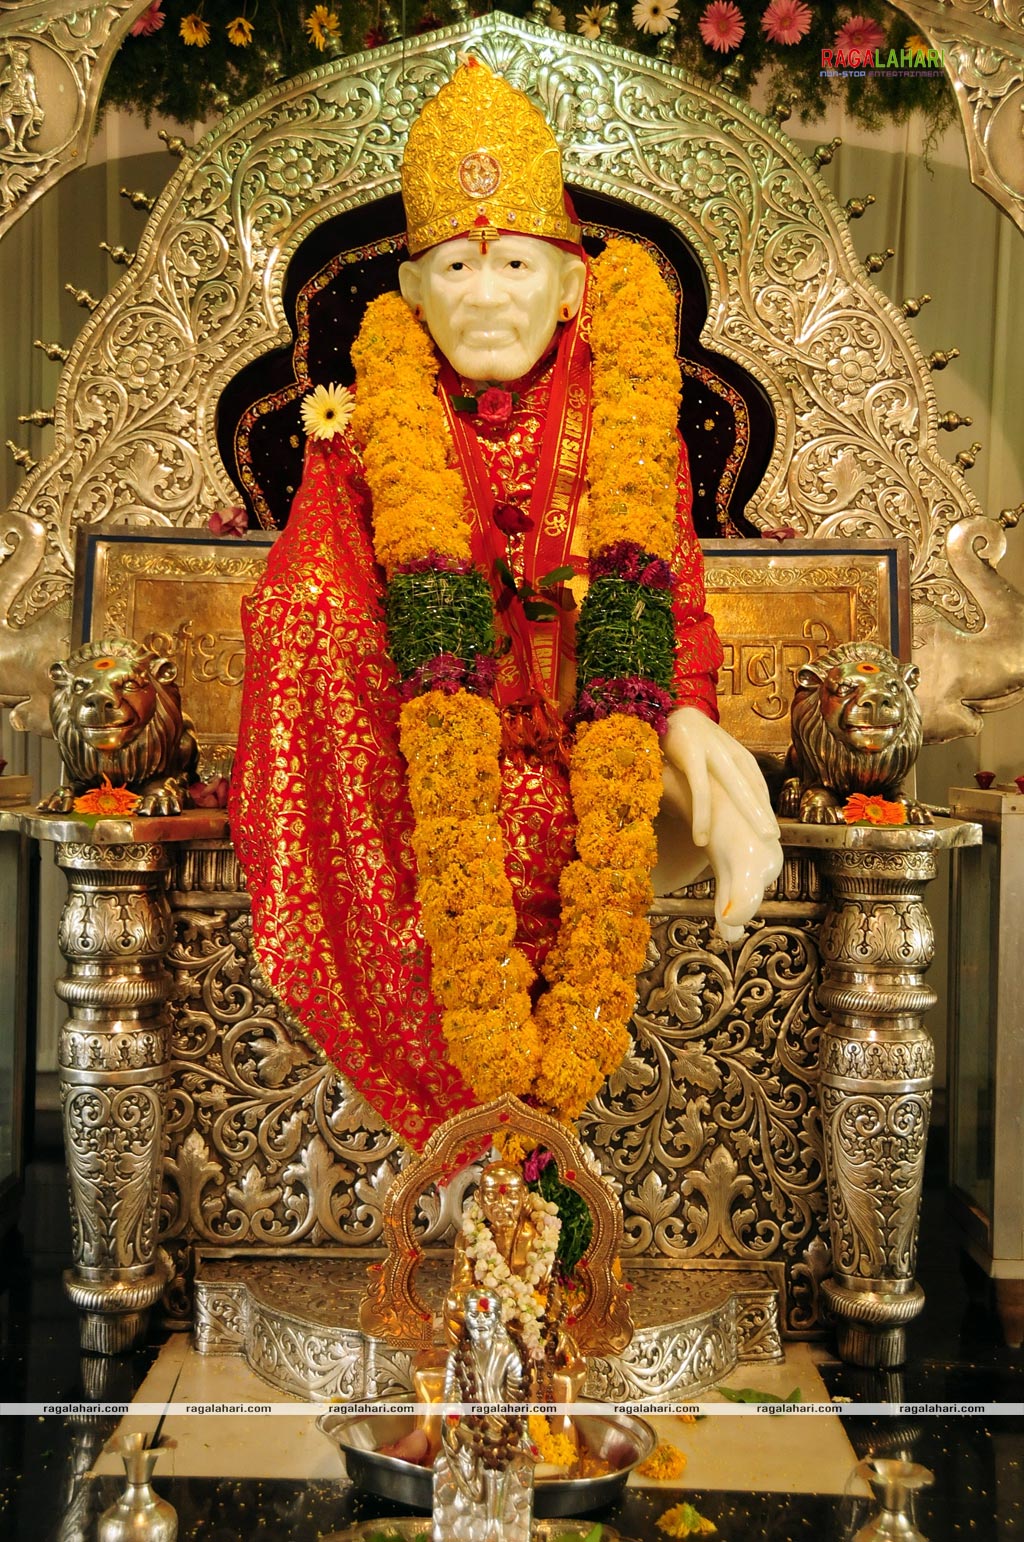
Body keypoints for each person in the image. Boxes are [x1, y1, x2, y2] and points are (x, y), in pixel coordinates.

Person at [232, 60, 782, 1149]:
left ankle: (550, 1171)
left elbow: (668, 600)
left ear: (574, 286)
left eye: (517, 263)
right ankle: (462, 1159)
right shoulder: (361, 437)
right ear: (410, 296)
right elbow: (308, 611)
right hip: (416, 773)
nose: (486, 296)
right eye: (455, 268)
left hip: (599, 757)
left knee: (678, 780)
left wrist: (681, 712)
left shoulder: (630, 420)